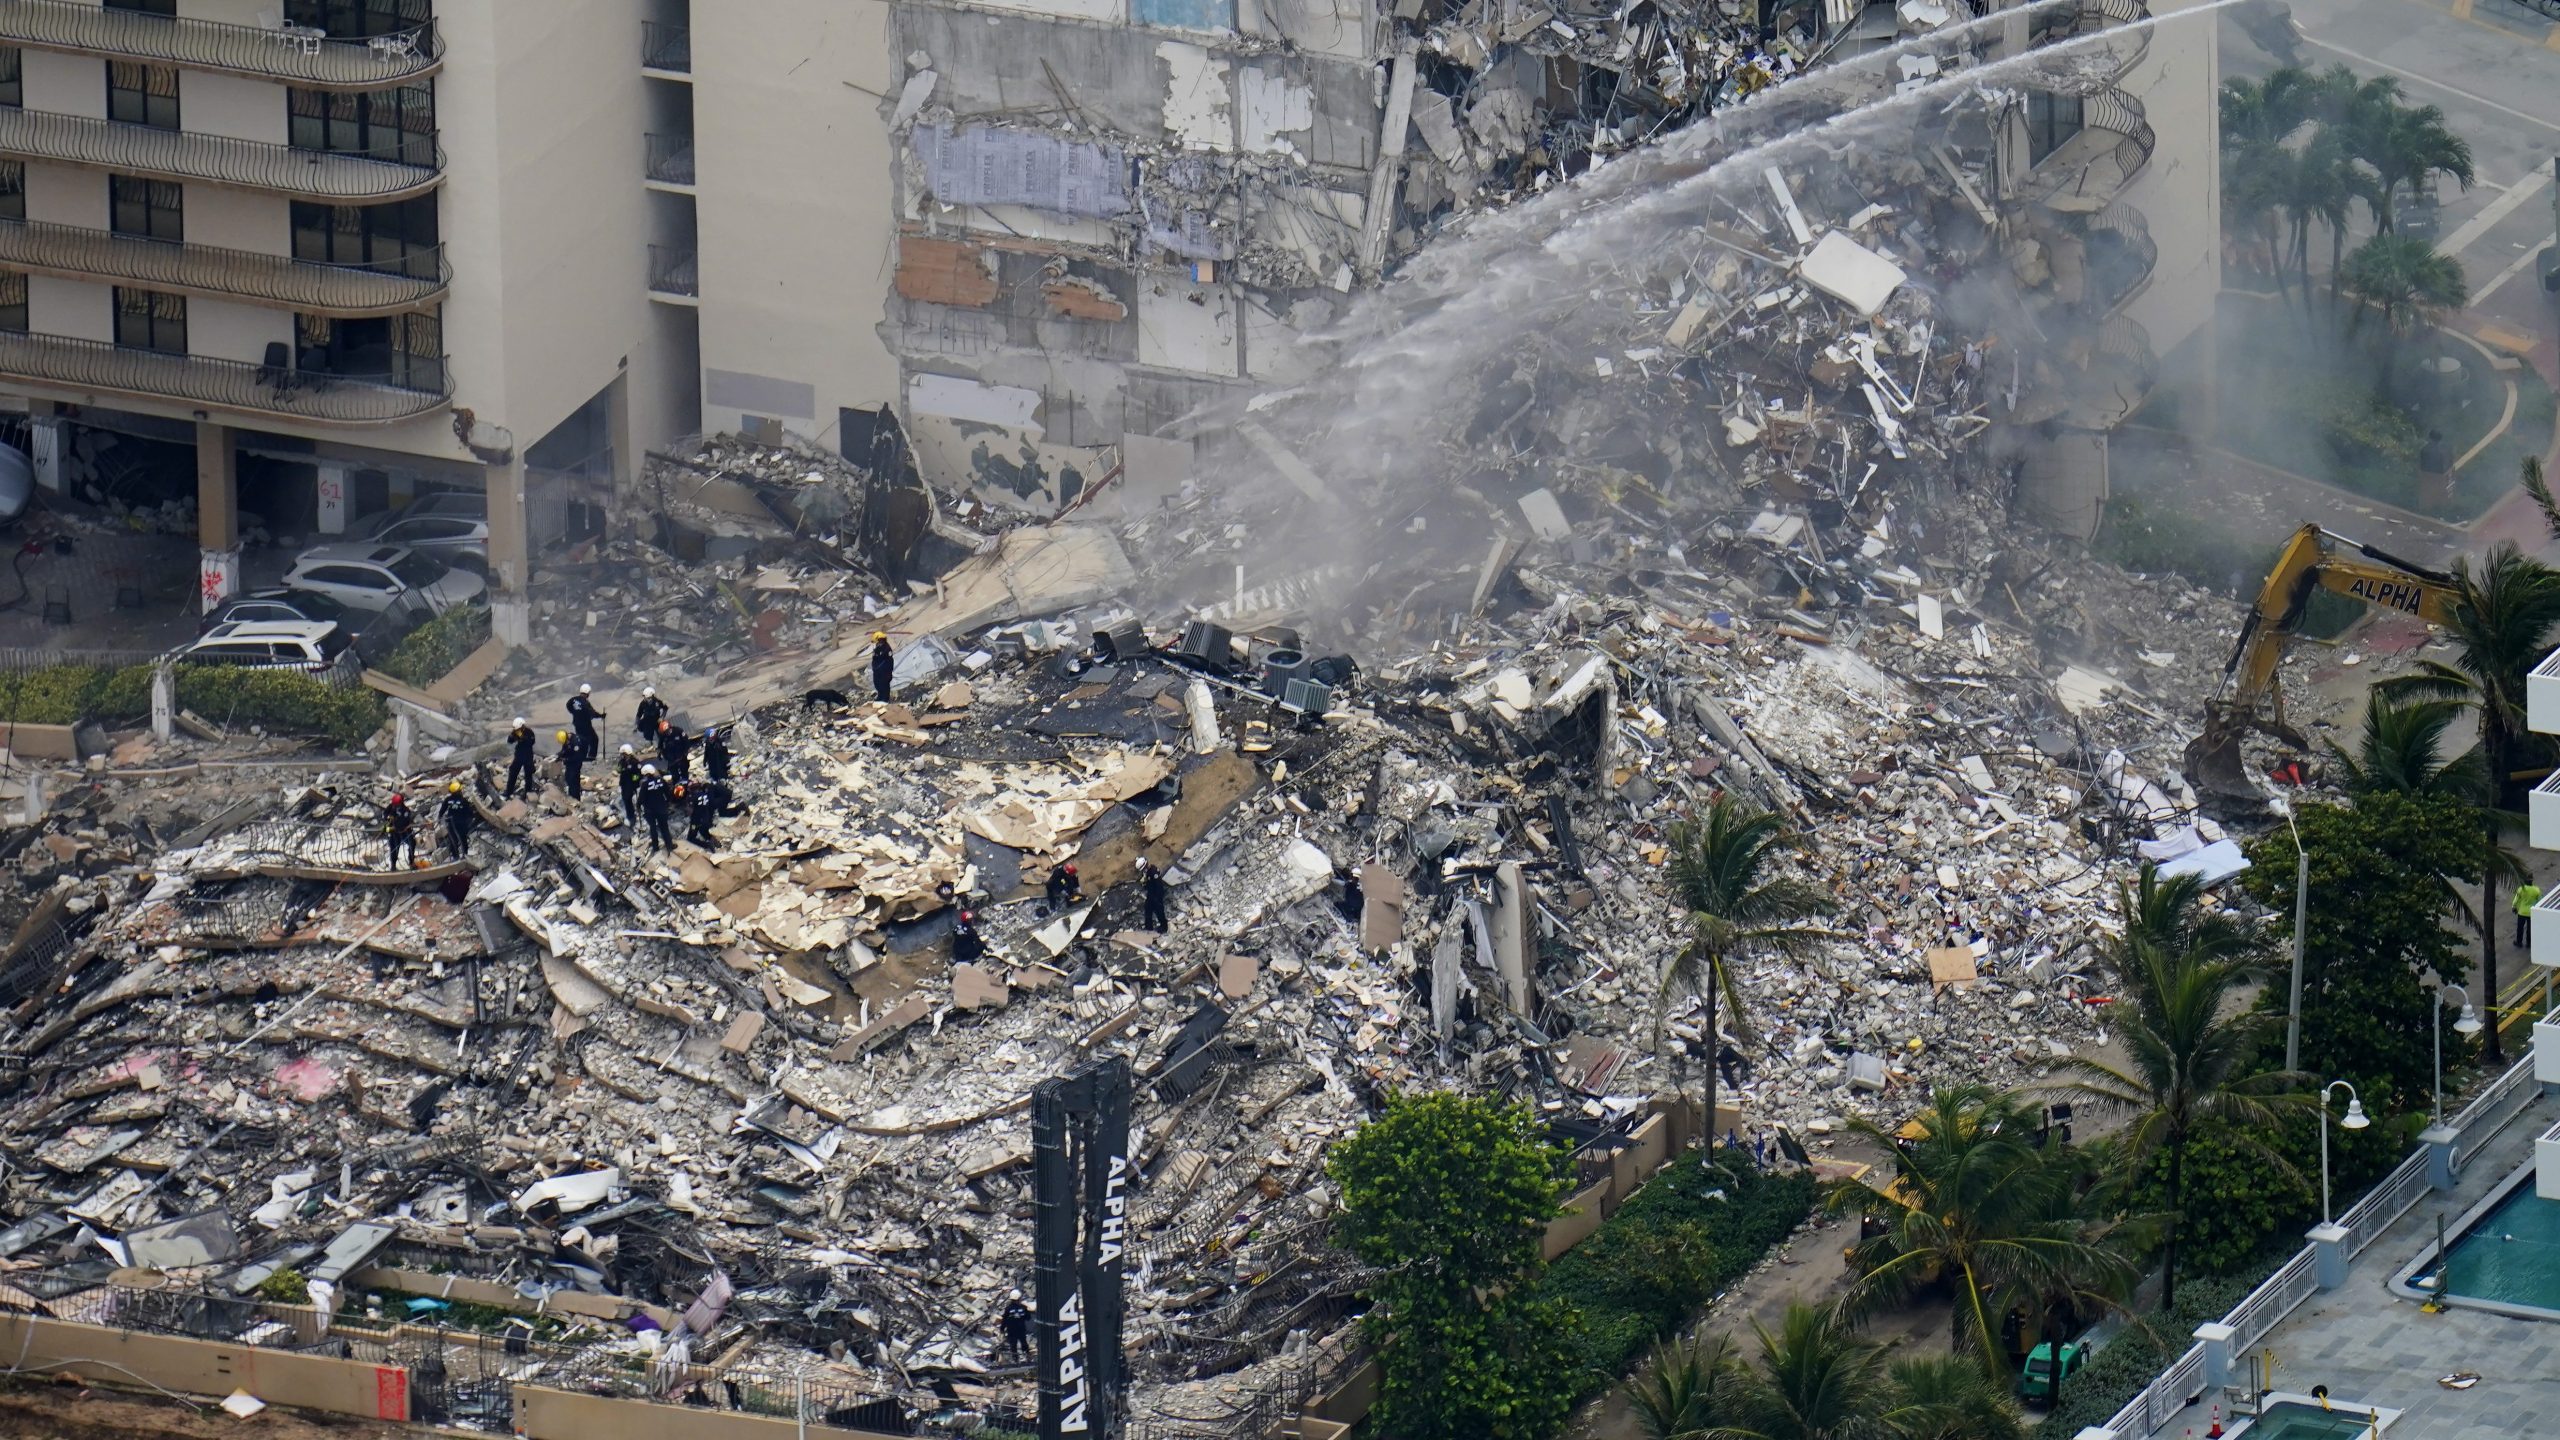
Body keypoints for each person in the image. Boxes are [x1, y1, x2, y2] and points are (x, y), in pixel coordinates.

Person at [638, 764, 674, 852]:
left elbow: (641, 798)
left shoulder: (645, 784)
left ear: (646, 774)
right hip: (661, 808)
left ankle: (655, 847)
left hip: (650, 810)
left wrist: (638, 805)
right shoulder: (661, 781)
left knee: (653, 828)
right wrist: (667, 803)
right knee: (664, 828)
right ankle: (669, 845)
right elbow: (668, 794)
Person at [504, 717, 539, 798]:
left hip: (528, 755)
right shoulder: (516, 731)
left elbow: (531, 742)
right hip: (519, 755)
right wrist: (513, 736)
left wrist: (522, 737)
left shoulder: (529, 732)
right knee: (513, 772)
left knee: (528, 774)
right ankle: (508, 792)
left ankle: (528, 793)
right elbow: (510, 741)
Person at [2419, 429, 2454, 511]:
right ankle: (2438, 510)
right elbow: (2449, 463)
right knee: (2439, 496)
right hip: (2439, 476)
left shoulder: (2424, 449)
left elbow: (2421, 463)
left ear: (2430, 437)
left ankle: (2425, 510)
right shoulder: (2444, 450)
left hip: (2426, 475)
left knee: (2426, 495)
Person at [438, 780, 474, 861]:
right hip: (461, 823)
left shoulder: (447, 800)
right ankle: (465, 855)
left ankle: (455, 856)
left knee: (453, 840)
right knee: (463, 839)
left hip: (451, 823)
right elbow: (469, 812)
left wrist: (439, 818)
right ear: (458, 791)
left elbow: (442, 811)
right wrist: (470, 821)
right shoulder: (463, 800)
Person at [567, 683, 603, 761]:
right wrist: (601, 715)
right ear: (588, 693)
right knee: (594, 739)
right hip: (586, 725)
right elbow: (592, 713)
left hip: (577, 724)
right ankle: (591, 757)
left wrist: (574, 712)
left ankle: (580, 756)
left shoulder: (573, 700)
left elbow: (568, 705)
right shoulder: (585, 703)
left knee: (581, 740)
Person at [382, 792, 416, 870]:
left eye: (396, 805)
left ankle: (411, 862)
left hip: (404, 832)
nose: (394, 806)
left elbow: (401, 824)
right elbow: (384, 814)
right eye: (394, 804)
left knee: (412, 844)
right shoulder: (391, 807)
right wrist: (388, 817)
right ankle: (393, 865)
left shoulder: (406, 811)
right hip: (394, 833)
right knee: (394, 848)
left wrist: (391, 827)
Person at [1138, 856, 1170, 932]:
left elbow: (1158, 886)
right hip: (1151, 894)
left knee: (1159, 911)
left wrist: (1157, 898)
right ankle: (1148, 927)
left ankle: (1164, 927)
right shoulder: (1148, 872)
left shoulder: (1153, 872)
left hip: (1156, 895)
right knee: (1148, 909)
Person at [687, 779, 721, 849]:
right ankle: (716, 843)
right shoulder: (705, 794)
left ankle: (706, 845)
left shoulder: (691, 797)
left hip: (696, 821)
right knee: (704, 832)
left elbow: (690, 811)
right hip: (706, 819)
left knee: (690, 837)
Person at [617, 744, 644, 825]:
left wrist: (634, 780)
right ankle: (630, 815)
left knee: (631, 799)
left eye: (623, 754)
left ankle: (635, 816)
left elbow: (639, 774)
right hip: (624, 783)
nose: (622, 756)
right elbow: (618, 770)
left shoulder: (635, 762)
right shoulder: (622, 762)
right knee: (626, 799)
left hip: (632, 784)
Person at [999, 1294, 1031, 1363]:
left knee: (1013, 1344)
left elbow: (1004, 1320)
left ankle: (1015, 1359)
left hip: (1011, 1330)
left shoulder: (1008, 1308)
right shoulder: (1023, 1307)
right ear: (1018, 1299)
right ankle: (1027, 1357)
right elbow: (1028, 1318)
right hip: (1021, 1329)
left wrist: (1002, 1328)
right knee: (1024, 1343)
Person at [555, 730, 585, 800]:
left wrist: (566, 759)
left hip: (575, 764)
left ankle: (575, 798)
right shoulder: (566, 739)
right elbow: (565, 749)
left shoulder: (576, 743)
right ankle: (571, 795)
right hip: (569, 764)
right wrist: (559, 755)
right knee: (568, 778)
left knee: (573, 781)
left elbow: (577, 757)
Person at [870, 631, 896, 704]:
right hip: (877, 670)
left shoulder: (886, 649)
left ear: (880, 640)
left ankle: (884, 699)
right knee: (877, 684)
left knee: (884, 685)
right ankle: (880, 696)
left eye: (876, 642)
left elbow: (889, 661)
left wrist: (888, 671)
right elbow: (875, 659)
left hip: (885, 671)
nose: (876, 644)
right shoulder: (877, 649)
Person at [2518, 879, 2543, 949]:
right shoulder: (2536, 890)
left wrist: (2514, 906)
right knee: (2530, 929)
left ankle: (2519, 942)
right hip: (2531, 912)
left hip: (2522, 912)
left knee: (2520, 928)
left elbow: (2517, 899)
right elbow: (2540, 900)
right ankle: (2528, 943)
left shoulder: (2521, 889)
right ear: (2532, 880)